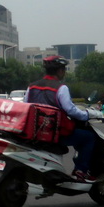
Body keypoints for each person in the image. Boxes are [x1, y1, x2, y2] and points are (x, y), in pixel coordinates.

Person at [23, 55, 96, 183]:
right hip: (54, 133)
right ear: (60, 71)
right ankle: (81, 170)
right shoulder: (61, 88)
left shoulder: (32, 86)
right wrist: (87, 115)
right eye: (64, 69)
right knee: (89, 137)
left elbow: (25, 106)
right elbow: (70, 110)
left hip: (34, 133)